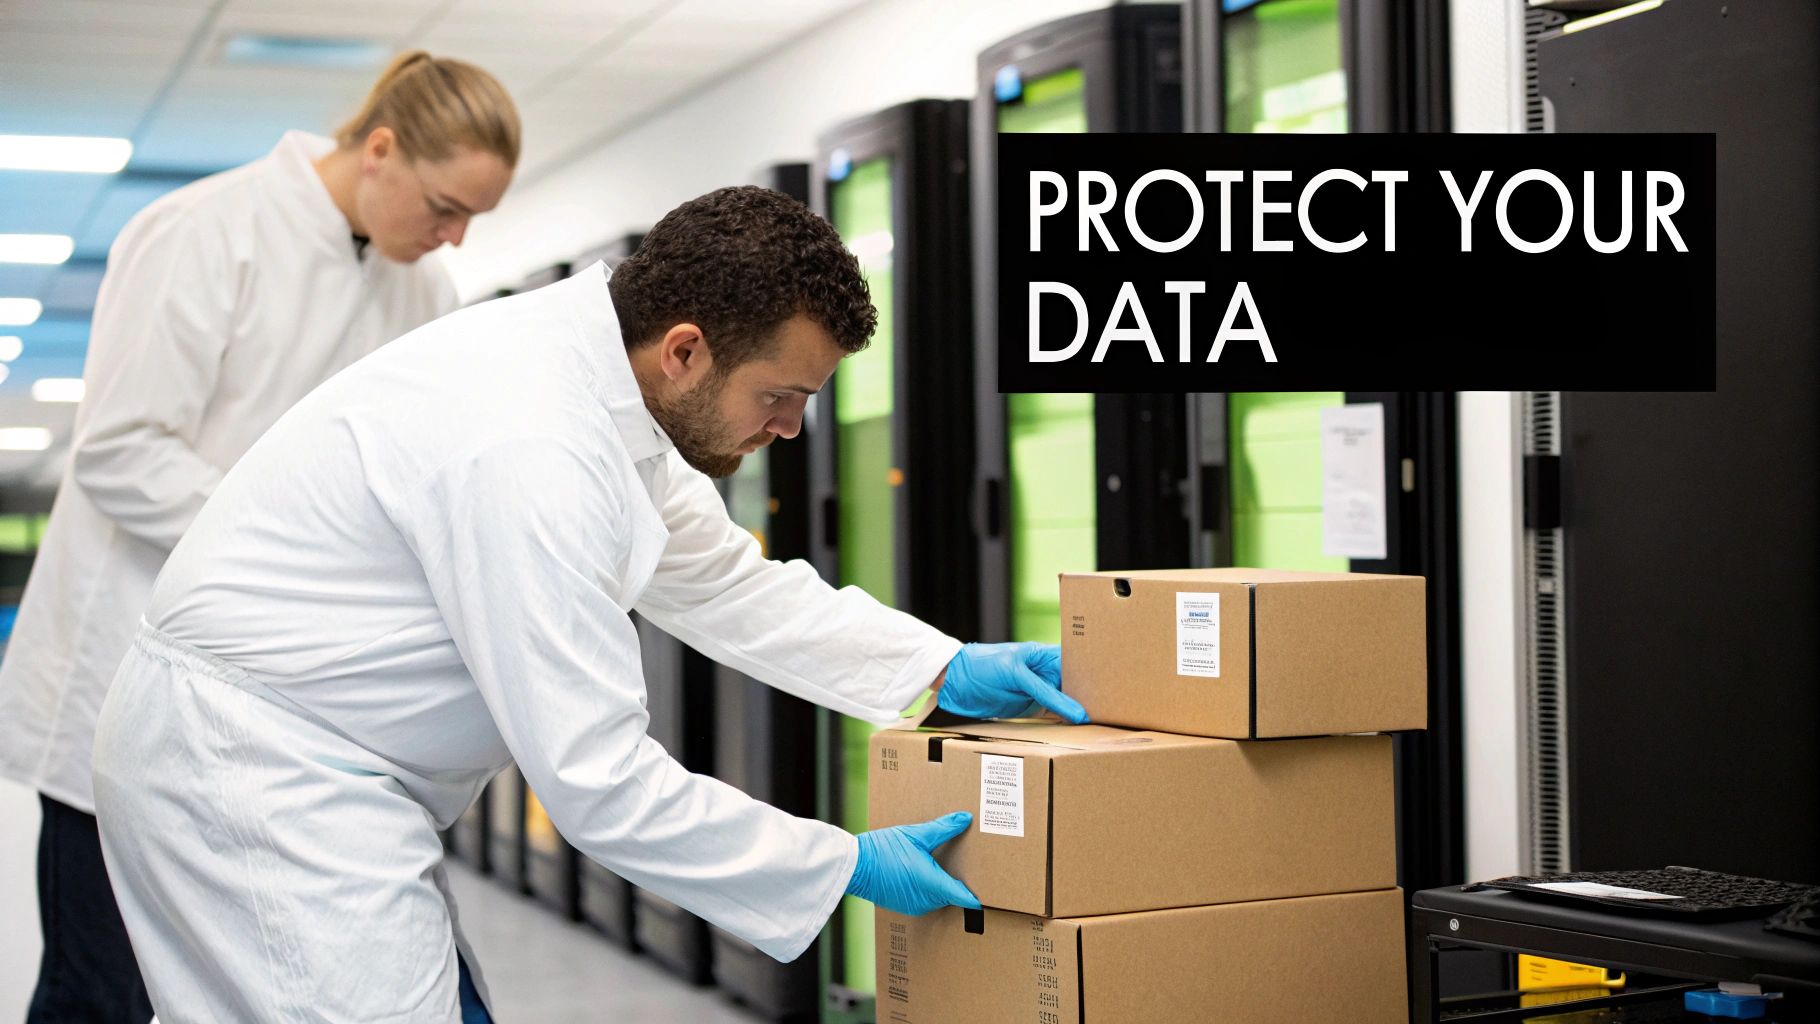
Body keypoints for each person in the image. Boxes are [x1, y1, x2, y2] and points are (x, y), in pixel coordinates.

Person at [89, 185, 1088, 1022]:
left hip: (332, 774)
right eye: (779, 395)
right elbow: (597, 780)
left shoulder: (605, 393)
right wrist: (839, 861)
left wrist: (936, 667)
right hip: (252, 776)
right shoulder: (534, 446)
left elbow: (722, 582)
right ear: (685, 350)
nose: (788, 428)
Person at [0, 51, 520, 1021]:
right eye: (444, 205)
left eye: (471, 221)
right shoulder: (206, 231)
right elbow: (119, 450)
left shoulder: (424, 296)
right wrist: (296, 550)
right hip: (122, 683)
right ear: (379, 150)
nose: (451, 236)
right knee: (98, 990)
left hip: (281, 719)